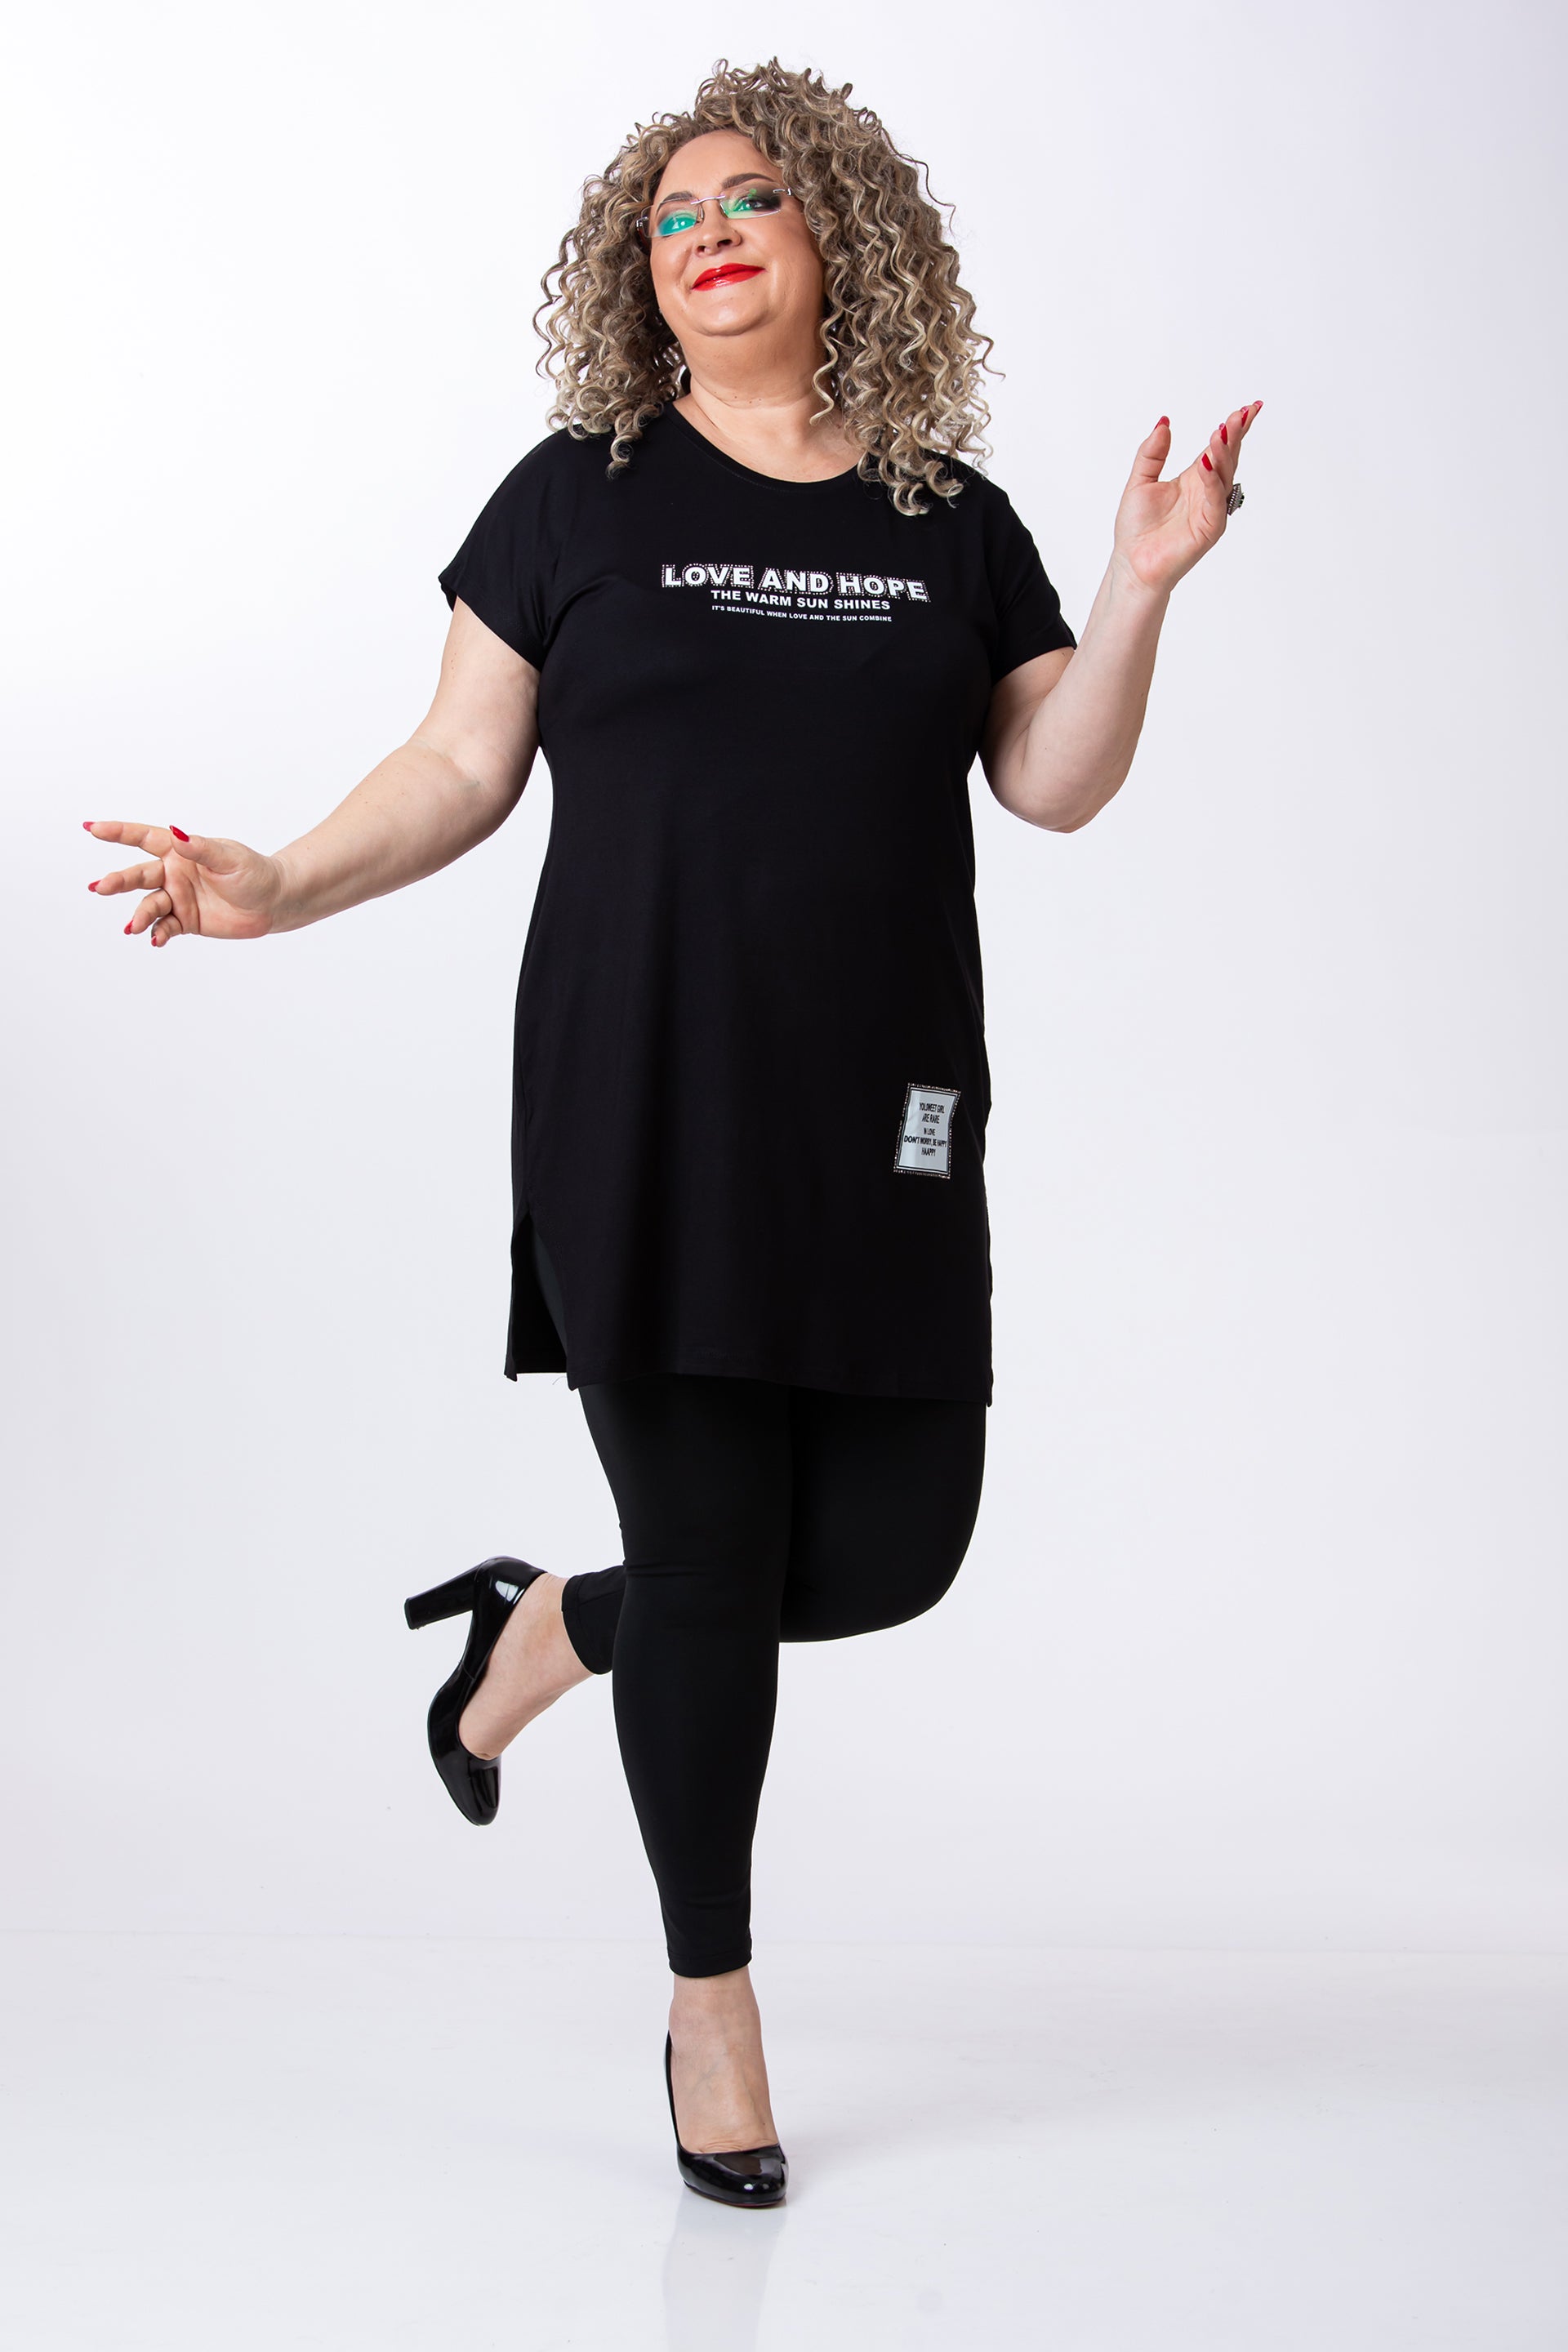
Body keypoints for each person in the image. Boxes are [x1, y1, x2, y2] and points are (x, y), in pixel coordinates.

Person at [82, 59, 1261, 2207]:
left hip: (890, 1118)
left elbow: (1052, 780)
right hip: (641, 1099)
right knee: (716, 1562)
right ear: (642, 272)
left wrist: (1141, 585)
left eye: (752, 203)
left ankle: (541, 1630)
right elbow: (457, 767)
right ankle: (711, 2007)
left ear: (838, 239)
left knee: (889, 1555)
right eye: (673, 218)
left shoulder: (946, 520)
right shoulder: (580, 499)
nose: (709, 238)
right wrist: (279, 881)